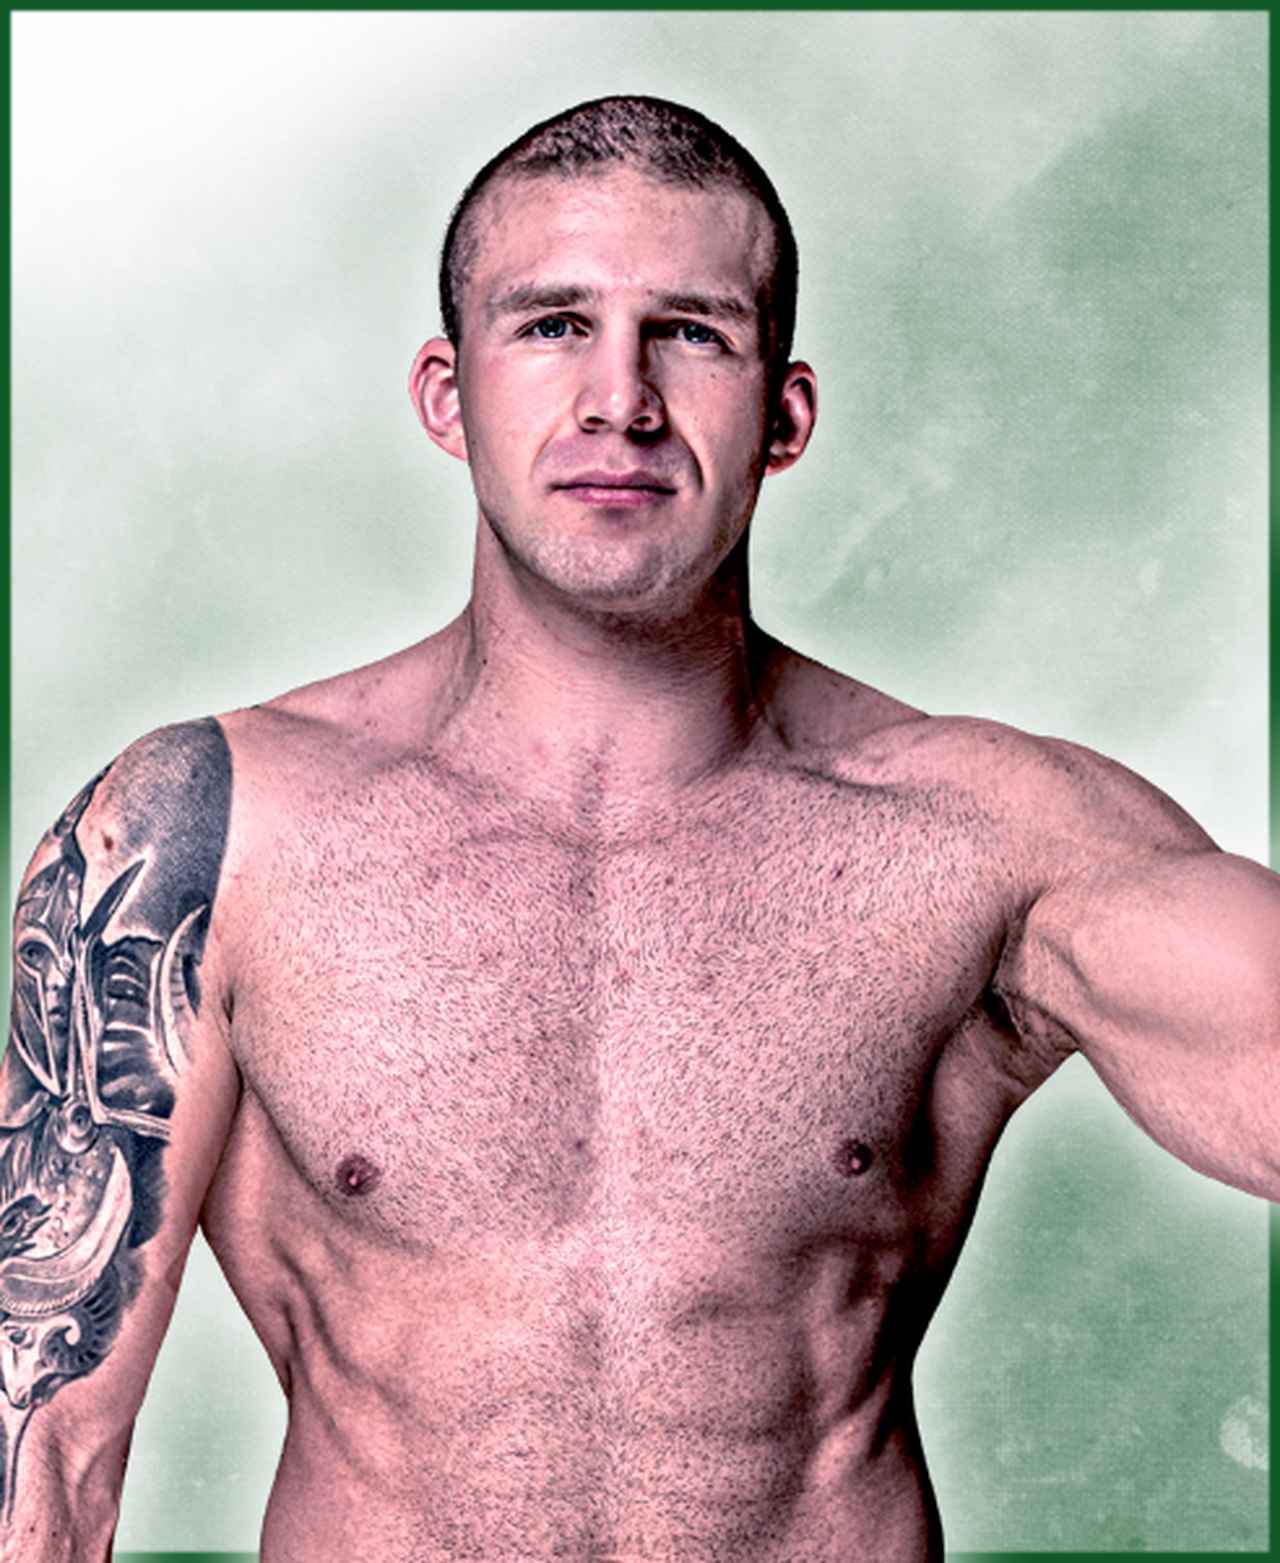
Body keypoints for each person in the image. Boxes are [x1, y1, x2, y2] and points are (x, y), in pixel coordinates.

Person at [4, 94, 1275, 1563]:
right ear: (446, 394)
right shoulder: (209, 837)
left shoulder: (991, 843)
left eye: (692, 333)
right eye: (553, 326)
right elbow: (44, 1463)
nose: (621, 399)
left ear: (784, 416)